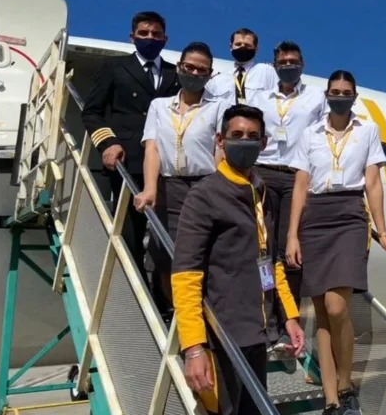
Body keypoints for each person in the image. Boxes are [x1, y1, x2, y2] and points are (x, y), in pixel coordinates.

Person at [285, 70, 386, 415]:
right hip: (315, 218)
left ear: (355, 95)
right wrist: (292, 235)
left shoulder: (367, 131)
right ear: (327, 95)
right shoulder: (310, 134)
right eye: (334, 91)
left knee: (338, 307)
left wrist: (382, 232)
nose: (340, 96)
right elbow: (300, 185)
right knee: (322, 314)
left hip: (350, 214)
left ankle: (345, 382)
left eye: (345, 92)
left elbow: (373, 184)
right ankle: (332, 400)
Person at [172, 104, 304, 415]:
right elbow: (186, 276)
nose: (244, 141)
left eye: (252, 136)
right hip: (222, 336)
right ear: (220, 140)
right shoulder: (205, 195)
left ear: (264, 143)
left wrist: (289, 316)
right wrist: (193, 348)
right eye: (237, 135)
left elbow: (271, 263)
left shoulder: (263, 194)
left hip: (258, 333)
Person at [80, 11, 180, 316]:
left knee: (168, 235)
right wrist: (107, 143)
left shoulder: (175, 74)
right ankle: (136, 304)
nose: (150, 38)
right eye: (144, 33)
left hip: (166, 163)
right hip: (128, 161)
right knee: (131, 234)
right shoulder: (115, 68)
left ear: (165, 39)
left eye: (156, 34)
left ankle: (166, 301)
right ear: (132, 37)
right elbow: (91, 111)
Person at [133, 42, 230, 316]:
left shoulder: (219, 107)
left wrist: (221, 190)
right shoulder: (159, 106)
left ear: (209, 74)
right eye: (189, 67)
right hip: (169, 187)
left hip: (204, 187)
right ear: (179, 67)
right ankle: (179, 312)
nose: (194, 73)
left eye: (202, 70)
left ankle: (203, 315)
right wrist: (150, 188)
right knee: (164, 256)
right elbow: (152, 148)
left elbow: (220, 151)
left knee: (203, 254)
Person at [246, 40, 326, 352]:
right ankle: (266, 321)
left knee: (291, 253)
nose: (288, 66)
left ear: (302, 64)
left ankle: (287, 324)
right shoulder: (261, 98)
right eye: (283, 62)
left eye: (293, 61)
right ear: (275, 65)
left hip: (297, 176)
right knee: (263, 252)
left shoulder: (316, 97)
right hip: (264, 173)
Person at [203, 28, 278, 105]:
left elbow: (277, 100)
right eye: (238, 44)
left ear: (256, 49)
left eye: (247, 45)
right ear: (231, 47)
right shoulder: (218, 80)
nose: (242, 47)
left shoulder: (266, 72)